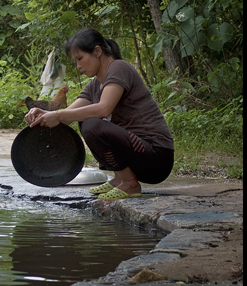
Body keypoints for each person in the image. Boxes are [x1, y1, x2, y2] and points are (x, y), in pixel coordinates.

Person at [24, 28, 174, 200]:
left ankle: (130, 183)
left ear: (97, 51)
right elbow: (68, 113)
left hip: (157, 158)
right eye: (75, 61)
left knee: (91, 124)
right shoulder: (95, 85)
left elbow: (104, 109)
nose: (78, 66)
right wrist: (43, 114)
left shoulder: (119, 68)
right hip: (139, 159)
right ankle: (120, 179)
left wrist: (58, 116)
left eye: (80, 58)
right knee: (83, 119)